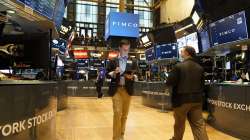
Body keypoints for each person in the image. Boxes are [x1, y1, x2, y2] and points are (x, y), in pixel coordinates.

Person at [166, 46, 209, 140]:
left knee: (179, 124)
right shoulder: (200, 68)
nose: (180, 53)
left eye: (182, 51)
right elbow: (202, 85)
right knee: (199, 125)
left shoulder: (178, 66)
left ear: (186, 53)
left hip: (181, 101)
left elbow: (169, 82)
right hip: (197, 100)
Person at [106, 39, 138, 140]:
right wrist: (114, 73)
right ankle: (116, 138)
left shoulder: (133, 61)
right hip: (116, 90)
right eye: (124, 49)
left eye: (127, 50)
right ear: (120, 48)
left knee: (124, 115)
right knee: (117, 113)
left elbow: (138, 75)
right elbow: (107, 74)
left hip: (127, 90)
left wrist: (133, 77)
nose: (126, 52)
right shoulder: (113, 61)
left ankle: (121, 134)